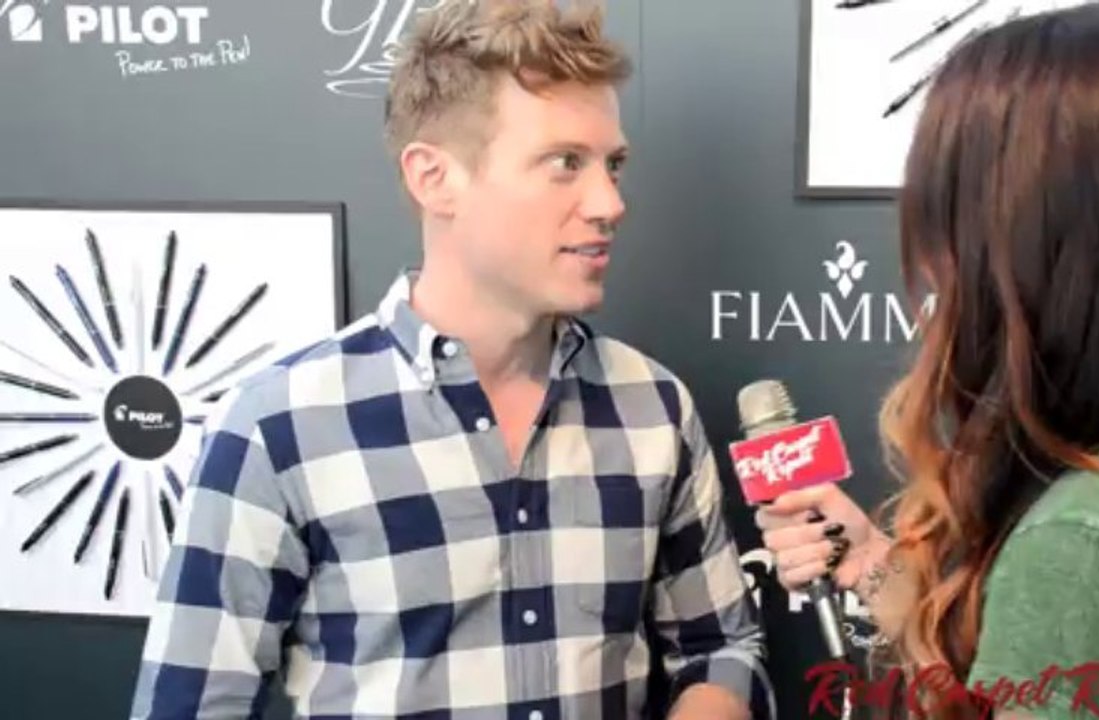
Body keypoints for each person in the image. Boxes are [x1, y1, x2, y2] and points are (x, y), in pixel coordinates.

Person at [130, 1, 774, 718]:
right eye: (565, 163)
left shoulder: (652, 406)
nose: (609, 202)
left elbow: (719, 644)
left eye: (612, 164)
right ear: (434, 178)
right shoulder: (277, 427)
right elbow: (191, 704)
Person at [758, 4, 1099, 718]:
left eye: (952, 223)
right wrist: (876, 571)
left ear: (1023, 245)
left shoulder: (1088, 547)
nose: (939, 269)